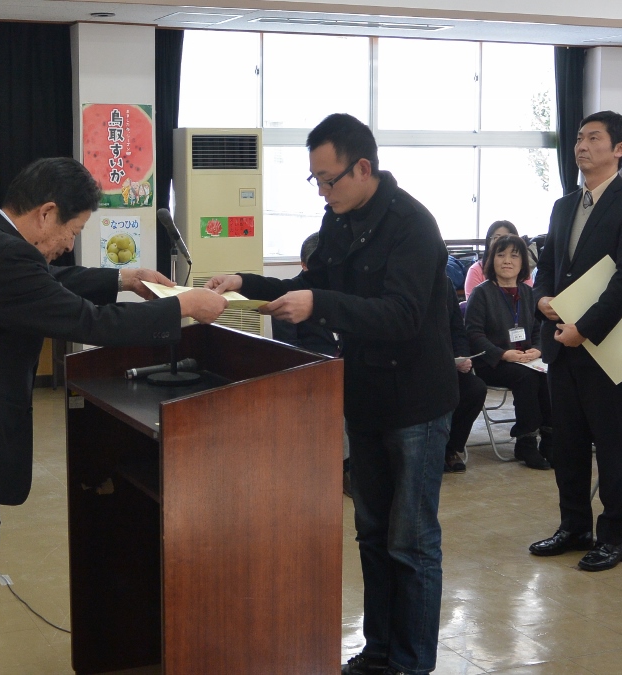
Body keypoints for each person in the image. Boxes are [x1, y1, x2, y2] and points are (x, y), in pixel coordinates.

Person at [0, 157, 228, 674]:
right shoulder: (2, 256)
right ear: (46, 212)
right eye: (72, 231)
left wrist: (123, 277)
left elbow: (48, 279)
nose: (67, 245)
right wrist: (182, 308)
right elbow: (87, 321)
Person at [207, 113, 457, 675]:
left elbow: (402, 315)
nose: (322, 191)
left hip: (416, 403)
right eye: (315, 180)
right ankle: (379, 652)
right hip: (365, 397)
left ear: (362, 168)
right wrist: (245, 284)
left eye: (328, 179)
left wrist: (320, 305)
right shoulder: (340, 220)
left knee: (411, 542)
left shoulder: (413, 225)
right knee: (372, 534)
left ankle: (412, 663)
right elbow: (310, 284)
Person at [530, 110, 622, 572]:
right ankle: (574, 526)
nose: (581, 146)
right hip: (560, 340)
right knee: (567, 443)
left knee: (611, 441)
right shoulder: (564, 205)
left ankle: (613, 536)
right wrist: (542, 299)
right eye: (579, 138)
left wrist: (585, 328)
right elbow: (547, 268)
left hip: (605, 344)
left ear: (620, 149)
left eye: (593, 138)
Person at [270, 232, 350, 493]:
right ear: (304, 265)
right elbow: (289, 349)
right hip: (314, 371)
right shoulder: (288, 296)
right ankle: (343, 469)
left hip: (347, 364)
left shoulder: (342, 289)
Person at [465, 234, 552, 470]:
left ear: (523, 262)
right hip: (491, 363)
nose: (507, 261)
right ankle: (526, 441)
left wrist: (537, 349)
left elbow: (538, 330)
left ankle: (550, 439)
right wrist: (503, 354)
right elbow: (474, 335)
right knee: (526, 377)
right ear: (491, 260)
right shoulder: (481, 293)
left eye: (514, 255)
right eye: (501, 255)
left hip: (526, 360)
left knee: (549, 373)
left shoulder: (528, 293)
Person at [445, 278, 487, 474]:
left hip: (447, 364)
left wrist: (462, 356)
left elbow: (458, 330)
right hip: (418, 365)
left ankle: (450, 447)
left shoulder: (445, 284)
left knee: (475, 388)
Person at [463, 220, 533, 298]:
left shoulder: (527, 290)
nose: (503, 241)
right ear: (489, 241)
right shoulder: (477, 277)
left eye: (507, 237)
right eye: (497, 237)